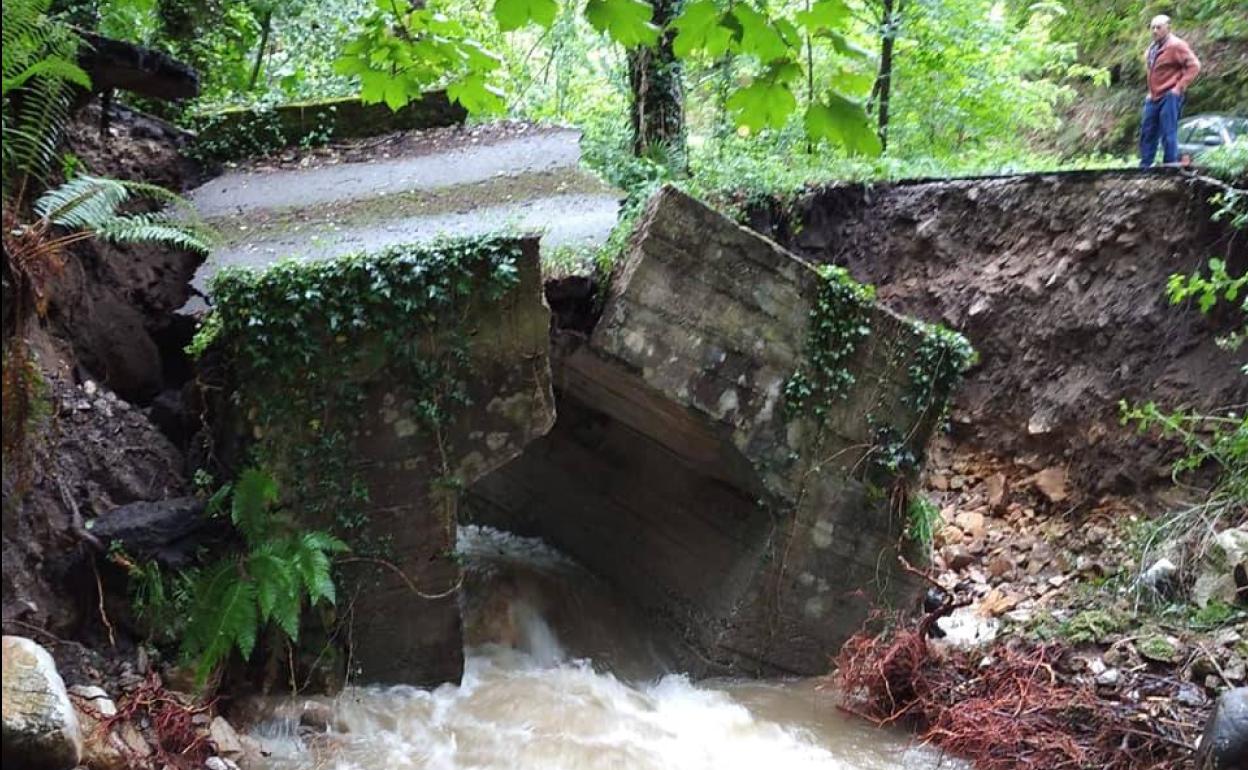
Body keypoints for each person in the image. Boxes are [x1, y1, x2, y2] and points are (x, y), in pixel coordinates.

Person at [1139, 15, 1201, 168]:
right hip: (1153, 96)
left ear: (1168, 28)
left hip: (1169, 95)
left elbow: (1194, 65)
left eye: (1158, 27)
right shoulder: (1152, 49)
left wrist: (1179, 87)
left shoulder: (1176, 45)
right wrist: (1150, 92)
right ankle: (1145, 167)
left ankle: (1170, 166)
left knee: (1168, 132)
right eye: (1152, 27)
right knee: (1147, 132)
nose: (1155, 31)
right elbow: (1151, 71)